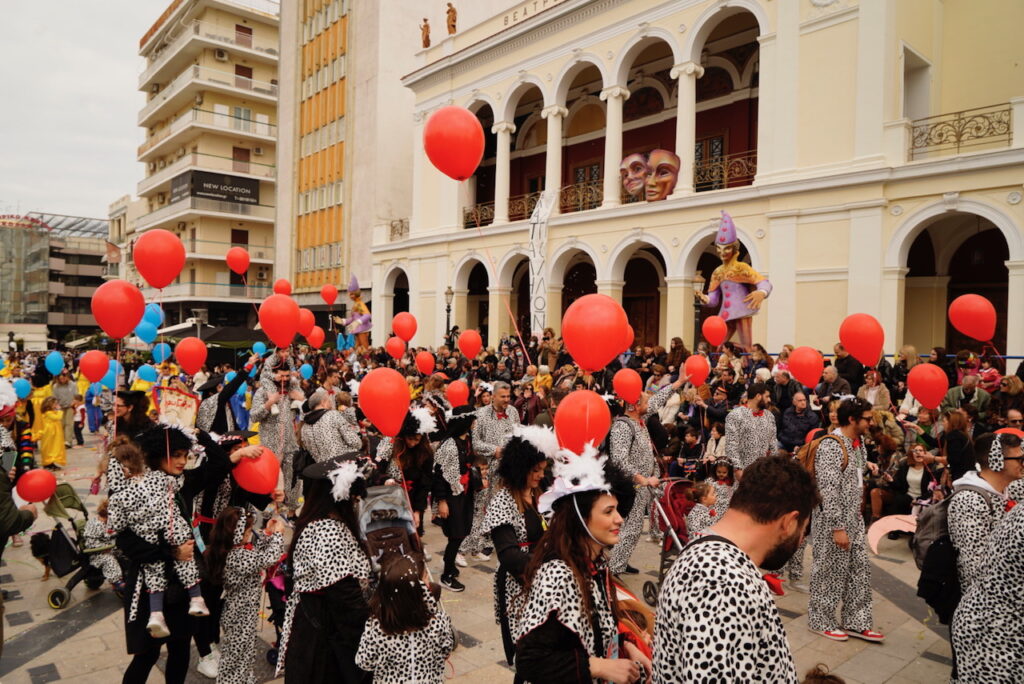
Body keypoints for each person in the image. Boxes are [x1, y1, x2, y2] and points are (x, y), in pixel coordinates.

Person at [652, 455, 819, 682]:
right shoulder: (723, 582)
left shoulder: (714, 562)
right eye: (804, 531)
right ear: (789, 522)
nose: (801, 540)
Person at [515, 446, 645, 684]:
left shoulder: (595, 566)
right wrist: (597, 666)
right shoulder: (558, 574)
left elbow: (599, 623)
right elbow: (529, 661)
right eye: (608, 511)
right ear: (581, 520)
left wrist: (627, 646)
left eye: (617, 509)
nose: (620, 519)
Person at [276, 456, 372, 682]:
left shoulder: (320, 521)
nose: (356, 503)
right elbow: (344, 596)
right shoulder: (327, 531)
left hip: (321, 624)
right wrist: (373, 633)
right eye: (354, 498)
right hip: (324, 633)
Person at [106, 435, 210, 638]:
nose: (182, 461)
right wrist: (172, 553)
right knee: (146, 655)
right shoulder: (128, 491)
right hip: (148, 573)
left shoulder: (174, 482)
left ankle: (189, 603)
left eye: (186, 456)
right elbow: (124, 540)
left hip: (178, 584)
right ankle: (178, 606)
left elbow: (220, 464)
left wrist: (199, 435)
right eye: (176, 455)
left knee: (180, 647)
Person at [807, 397, 885, 643]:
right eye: (867, 418)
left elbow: (854, 474)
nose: (871, 422)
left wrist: (867, 465)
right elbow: (828, 489)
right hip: (832, 521)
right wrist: (837, 527)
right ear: (852, 419)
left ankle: (856, 621)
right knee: (829, 571)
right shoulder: (831, 445)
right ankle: (821, 620)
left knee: (859, 570)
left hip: (854, 517)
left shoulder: (858, 442)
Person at [482, 425, 557, 665]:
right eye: (535, 470)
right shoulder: (503, 501)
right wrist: (548, 569)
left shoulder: (540, 491)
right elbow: (509, 556)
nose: (540, 475)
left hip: (545, 578)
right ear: (519, 468)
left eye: (543, 470)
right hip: (519, 584)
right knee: (526, 649)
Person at [607, 376, 684, 575]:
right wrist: (641, 478)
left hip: (646, 485)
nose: (649, 404)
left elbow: (656, 400)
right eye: (644, 401)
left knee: (633, 529)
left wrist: (677, 383)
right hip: (632, 487)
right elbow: (619, 461)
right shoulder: (623, 427)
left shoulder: (639, 418)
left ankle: (621, 562)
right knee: (630, 529)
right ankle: (613, 568)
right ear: (633, 406)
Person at [951, 481, 1024, 683]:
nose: (1022, 465)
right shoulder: (970, 499)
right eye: (1019, 458)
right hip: (993, 634)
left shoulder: (1008, 493)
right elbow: (971, 567)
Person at [204, 507, 284, 684]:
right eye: (247, 531)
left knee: (245, 654)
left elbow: (258, 555)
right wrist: (277, 536)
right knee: (234, 659)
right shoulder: (236, 555)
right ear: (236, 532)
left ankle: (244, 679)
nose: (249, 534)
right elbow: (267, 559)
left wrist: (268, 534)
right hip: (239, 616)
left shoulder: (237, 551)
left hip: (244, 614)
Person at [355, 553, 455, 683]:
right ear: (420, 588)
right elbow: (446, 651)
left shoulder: (377, 628)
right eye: (425, 577)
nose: (429, 581)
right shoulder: (439, 622)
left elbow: (364, 662)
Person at [465, 381, 520, 560]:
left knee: (508, 502)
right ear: (493, 396)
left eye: (508, 396)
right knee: (485, 505)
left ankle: (506, 538)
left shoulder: (513, 412)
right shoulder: (480, 415)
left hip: (509, 467)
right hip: (487, 468)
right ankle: (485, 541)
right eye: (503, 396)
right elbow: (475, 443)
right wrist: (494, 450)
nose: (506, 400)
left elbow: (518, 435)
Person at [431, 405, 480, 591]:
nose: (475, 422)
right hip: (451, 496)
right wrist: (442, 501)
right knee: (456, 535)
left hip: (464, 493)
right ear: (464, 422)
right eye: (472, 419)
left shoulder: (467, 439)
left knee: (463, 531)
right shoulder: (449, 445)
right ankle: (447, 574)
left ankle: (450, 566)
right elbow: (439, 475)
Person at [250, 356, 304, 507]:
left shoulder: (293, 391)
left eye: (287, 376)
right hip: (270, 446)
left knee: (290, 482)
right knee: (270, 482)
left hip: (289, 445)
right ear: (273, 374)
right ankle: (268, 515)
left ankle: (288, 512)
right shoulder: (262, 392)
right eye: (281, 375)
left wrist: (302, 401)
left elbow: (306, 416)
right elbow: (254, 416)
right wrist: (269, 403)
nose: (284, 379)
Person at [724, 383, 777, 477]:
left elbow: (773, 443)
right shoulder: (735, 415)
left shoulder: (769, 416)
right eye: (767, 396)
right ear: (758, 396)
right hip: (744, 470)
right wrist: (737, 469)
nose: (769, 400)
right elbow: (731, 445)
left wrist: (774, 466)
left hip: (765, 471)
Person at [301, 388, 362, 462]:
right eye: (329, 400)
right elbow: (355, 442)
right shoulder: (333, 415)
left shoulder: (304, 427)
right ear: (323, 402)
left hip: (321, 468)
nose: (331, 403)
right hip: (343, 464)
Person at [83, 498, 124, 592]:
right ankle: (116, 581)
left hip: (112, 548)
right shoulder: (94, 525)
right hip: (98, 554)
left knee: (125, 553)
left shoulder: (109, 523)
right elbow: (90, 542)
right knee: (109, 560)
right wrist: (103, 548)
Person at [37, 396, 66, 470]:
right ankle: (48, 463)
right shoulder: (48, 413)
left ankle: (52, 462)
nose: (56, 405)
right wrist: (59, 410)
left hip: (54, 432)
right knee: (50, 447)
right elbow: (57, 417)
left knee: (54, 447)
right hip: (50, 432)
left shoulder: (51, 412)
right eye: (55, 404)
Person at [51, 369, 75, 448]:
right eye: (60, 379)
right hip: (60, 407)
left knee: (69, 423)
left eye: (64, 378)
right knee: (61, 424)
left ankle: (68, 441)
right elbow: (54, 397)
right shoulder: (55, 386)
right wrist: (56, 406)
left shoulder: (72, 385)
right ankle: (61, 440)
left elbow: (76, 395)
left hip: (70, 406)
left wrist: (74, 403)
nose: (62, 380)